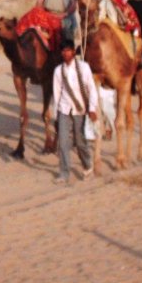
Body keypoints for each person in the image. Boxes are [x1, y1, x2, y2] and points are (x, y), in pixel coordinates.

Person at [51, 40, 98, 185]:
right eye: (63, 51)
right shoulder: (58, 71)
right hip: (64, 110)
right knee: (63, 143)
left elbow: (91, 89)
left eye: (68, 50)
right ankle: (64, 173)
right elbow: (57, 94)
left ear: (73, 51)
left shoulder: (84, 67)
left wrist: (92, 108)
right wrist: (56, 115)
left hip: (80, 109)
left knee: (80, 142)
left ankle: (87, 165)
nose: (66, 53)